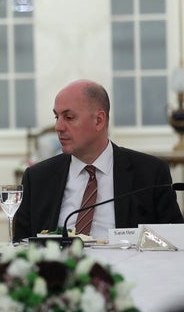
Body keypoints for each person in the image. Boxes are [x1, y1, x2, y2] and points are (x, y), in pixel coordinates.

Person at [14, 79, 183, 239]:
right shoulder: (37, 178)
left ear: (99, 120)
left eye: (69, 117)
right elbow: (21, 246)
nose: (58, 127)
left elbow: (174, 241)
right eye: (56, 117)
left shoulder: (150, 174)